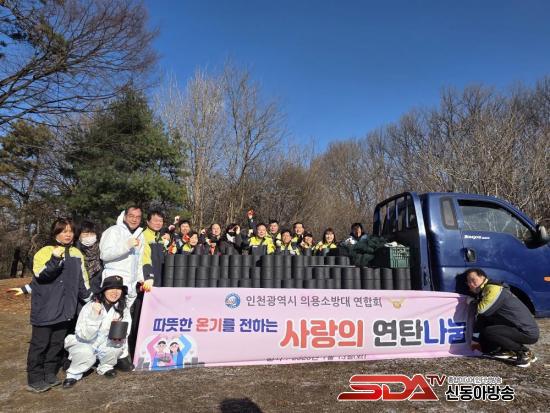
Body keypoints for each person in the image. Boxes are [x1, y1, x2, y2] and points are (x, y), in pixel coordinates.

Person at [26, 218, 91, 393]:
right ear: (55, 233)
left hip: (66, 309)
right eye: (63, 231)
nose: (68, 234)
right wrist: (55, 258)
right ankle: (34, 378)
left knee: (57, 344)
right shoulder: (45, 252)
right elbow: (41, 275)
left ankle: (49, 373)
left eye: (70, 231)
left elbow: (82, 281)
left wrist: (90, 298)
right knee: (40, 345)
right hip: (45, 309)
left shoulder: (77, 253)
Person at [99, 206, 154, 369]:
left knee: (124, 320)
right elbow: (105, 255)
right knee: (109, 320)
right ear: (124, 216)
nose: (134, 219)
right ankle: (105, 357)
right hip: (114, 281)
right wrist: (126, 245)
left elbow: (138, 261)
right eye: (131, 216)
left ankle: (121, 355)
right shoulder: (113, 231)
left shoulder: (139, 235)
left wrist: (142, 279)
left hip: (130, 284)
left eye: (138, 216)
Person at [62, 275, 130, 388]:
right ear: (104, 291)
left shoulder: (123, 308)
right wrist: (94, 316)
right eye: (111, 288)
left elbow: (126, 330)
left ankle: (105, 366)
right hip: (86, 342)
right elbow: (85, 336)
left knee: (116, 347)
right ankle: (73, 374)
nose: (115, 292)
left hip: (106, 342)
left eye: (118, 289)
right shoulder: (90, 306)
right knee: (85, 352)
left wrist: (117, 329)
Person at [466, 268, 539, 367]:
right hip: (520, 328)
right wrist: (475, 340)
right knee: (489, 323)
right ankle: (507, 350)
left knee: (490, 332)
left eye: (473, 280)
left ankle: (524, 352)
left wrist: (472, 302)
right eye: (468, 282)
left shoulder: (493, 288)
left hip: (527, 332)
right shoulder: (486, 289)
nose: (471, 284)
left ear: (483, 277)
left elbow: (482, 310)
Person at [143, 210, 166, 286]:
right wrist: (148, 276)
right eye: (155, 221)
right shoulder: (143, 236)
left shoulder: (161, 237)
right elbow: (144, 259)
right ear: (148, 222)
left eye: (160, 221)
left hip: (161, 277)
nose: (158, 223)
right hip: (148, 277)